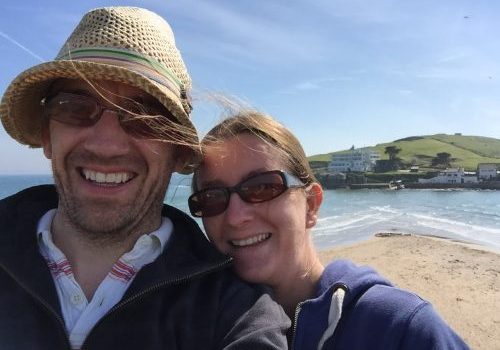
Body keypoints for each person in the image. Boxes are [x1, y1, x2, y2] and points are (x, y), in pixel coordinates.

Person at [0, 7, 289, 349]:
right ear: (48, 137)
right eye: (75, 107)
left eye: (145, 116)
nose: (106, 145)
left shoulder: (234, 312)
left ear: (176, 152)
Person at [189, 111, 470, 349]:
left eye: (262, 187)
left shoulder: (399, 328)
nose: (236, 217)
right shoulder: (192, 326)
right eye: (212, 197)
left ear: (311, 205)